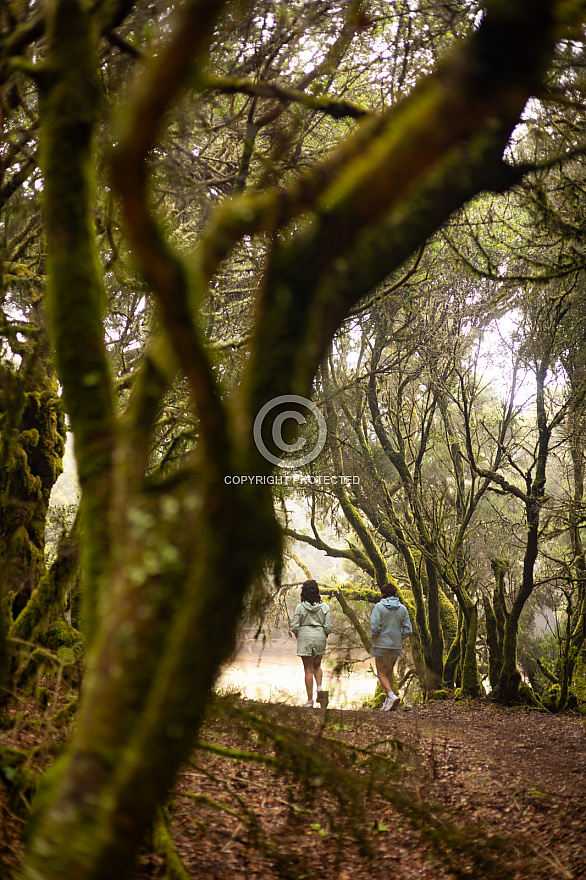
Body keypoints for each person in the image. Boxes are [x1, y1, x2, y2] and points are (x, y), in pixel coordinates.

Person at [290, 579, 333, 708]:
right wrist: (323, 635)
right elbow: (328, 627)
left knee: (308, 669)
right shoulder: (325, 607)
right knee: (317, 666)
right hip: (320, 636)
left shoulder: (300, 607)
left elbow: (294, 626)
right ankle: (320, 688)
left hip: (305, 637)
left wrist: (299, 635)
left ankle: (309, 701)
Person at [370, 582, 412, 711]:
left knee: (381, 673)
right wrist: (399, 638)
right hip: (395, 645)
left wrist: (375, 636)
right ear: (395, 594)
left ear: (383, 594)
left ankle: (391, 695)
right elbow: (408, 629)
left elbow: (375, 626)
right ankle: (389, 703)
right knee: (389, 672)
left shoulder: (379, 607)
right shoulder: (403, 608)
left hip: (381, 644)